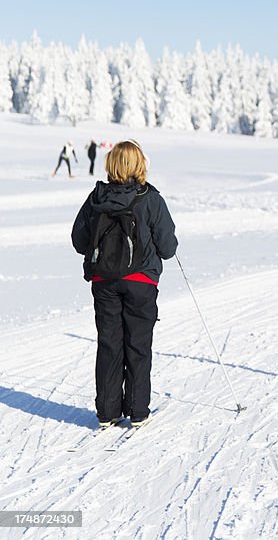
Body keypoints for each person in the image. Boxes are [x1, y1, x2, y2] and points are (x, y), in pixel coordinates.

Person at [71, 140, 177, 428]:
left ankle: (107, 413)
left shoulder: (96, 198)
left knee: (109, 344)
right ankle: (138, 410)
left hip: (104, 281)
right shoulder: (150, 198)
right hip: (141, 282)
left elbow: (79, 241)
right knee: (138, 345)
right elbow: (168, 248)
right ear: (140, 164)